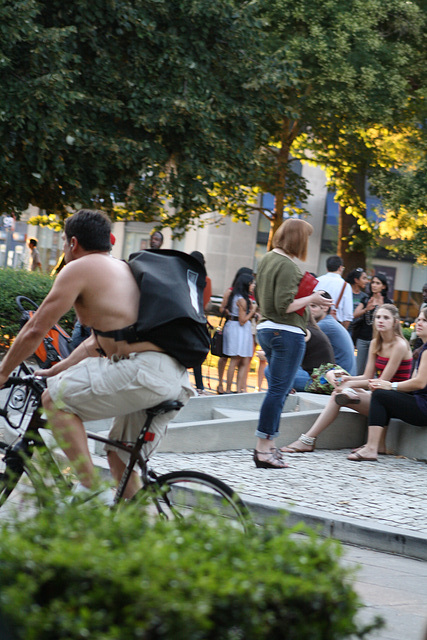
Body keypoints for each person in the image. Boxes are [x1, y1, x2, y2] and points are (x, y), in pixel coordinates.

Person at [0, 210, 194, 503]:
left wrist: (3, 373)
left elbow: (35, 329)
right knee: (119, 457)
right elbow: (97, 343)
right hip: (172, 376)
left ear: (73, 243)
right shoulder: (121, 269)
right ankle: (145, 531)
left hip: (142, 372)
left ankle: (90, 491)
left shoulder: (78, 268)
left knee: (54, 400)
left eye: (64, 242)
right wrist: (59, 368)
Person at [253, 218, 333, 469]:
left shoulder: (266, 259)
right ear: (298, 238)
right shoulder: (287, 265)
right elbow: (284, 305)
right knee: (278, 392)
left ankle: (267, 446)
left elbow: (260, 295)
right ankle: (263, 449)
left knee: (276, 391)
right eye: (306, 238)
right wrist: (313, 297)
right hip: (286, 332)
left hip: (267, 329)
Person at [281, 304, 412, 455]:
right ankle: (308, 439)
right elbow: (367, 377)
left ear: (395, 322)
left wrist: (347, 383)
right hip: (380, 397)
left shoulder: (400, 345)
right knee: (337, 387)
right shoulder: (376, 343)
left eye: (386, 318)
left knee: (339, 392)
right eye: (377, 317)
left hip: (395, 400)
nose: (380, 321)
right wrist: (345, 378)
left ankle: (307, 440)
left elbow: (381, 382)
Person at [348, 307, 427, 462]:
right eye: (419, 319)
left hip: (424, 408)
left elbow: (420, 382)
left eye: (425, 320)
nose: (419, 323)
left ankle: (372, 448)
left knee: (381, 395)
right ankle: (379, 445)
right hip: (420, 402)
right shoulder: (423, 349)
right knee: (385, 395)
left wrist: (391, 386)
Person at [216, 267, 253, 394]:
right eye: (251, 283)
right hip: (236, 326)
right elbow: (223, 309)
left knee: (242, 359)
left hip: (237, 326)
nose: (253, 285)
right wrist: (250, 311)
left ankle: (237, 388)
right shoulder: (234, 295)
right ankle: (226, 387)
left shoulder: (240, 296)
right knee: (232, 358)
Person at [353, 273, 393, 375]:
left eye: (377, 283)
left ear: (383, 286)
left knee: (372, 372)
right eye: (373, 283)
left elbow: (391, 320)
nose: (374, 285)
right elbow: (354, 315)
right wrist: (366, 309)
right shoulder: (367, 299)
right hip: (362, 338)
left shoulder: (388, 303)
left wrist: (381, 307)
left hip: (377, 340)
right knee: (359, 370)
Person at [310, 291, 357, 375]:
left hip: (339, 379)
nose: (309, 310)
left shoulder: (325, 325)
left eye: (313, 306)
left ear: (325, 308)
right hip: (341, 375)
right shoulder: (329, 322)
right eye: (307, 306)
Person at [290, 310, 335, 392]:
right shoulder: (313, 328)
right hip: (324, 377)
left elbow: (289, 355)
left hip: (317, 381)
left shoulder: (304, 331)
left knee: (271, 370)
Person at [190, 251, 212, 394]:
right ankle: (200, 386)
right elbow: (205, 302)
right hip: (199, 319)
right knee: (196, 353)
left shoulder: (185, 275)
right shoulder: (206, 280)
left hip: (184, 317)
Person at [315, 255, 353, 328]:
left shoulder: (317, 281)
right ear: (340, 268)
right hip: (334, 324)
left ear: (327, 268)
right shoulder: (345, 285)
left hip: (315, 322)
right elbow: (348, 315)